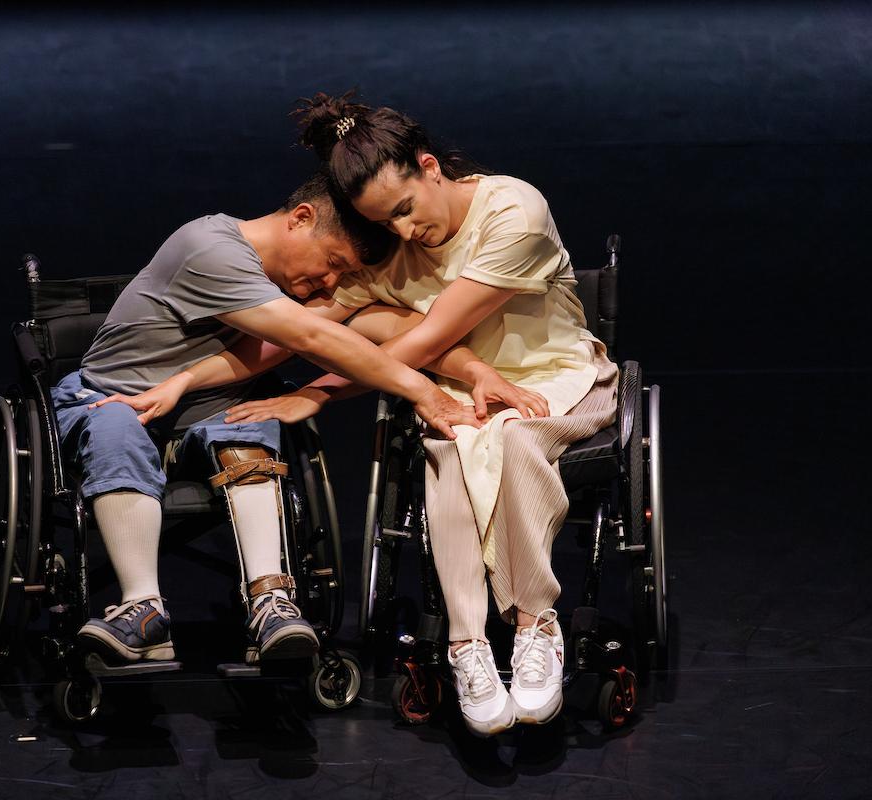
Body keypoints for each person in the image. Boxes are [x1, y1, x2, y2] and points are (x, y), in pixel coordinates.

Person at [134, 94, 618, 736]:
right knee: (448, 451)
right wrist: (189, 377)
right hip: (454, 392)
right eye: (385, 225)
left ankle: (536, 624)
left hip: (556, 378)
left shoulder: (515, 212)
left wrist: (319, 393)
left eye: (406, 210)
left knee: (515, 442)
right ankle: (468, 644)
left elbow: (426, 337)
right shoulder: (392, 250)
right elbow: (292, 333)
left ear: (430, 167)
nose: (405, 235)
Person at [53, 173, 482, 668]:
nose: (330, 282)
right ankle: (141, 608)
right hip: (116, 400)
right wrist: (422, 390)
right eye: (332, 263)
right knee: (115, 424)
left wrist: (476, 370)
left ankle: (270, 603)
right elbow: (314, 339)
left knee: (248, 420)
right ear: (301, 219)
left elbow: (397, 326)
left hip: (208, 410)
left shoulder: (281, 288)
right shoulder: (209, 247)